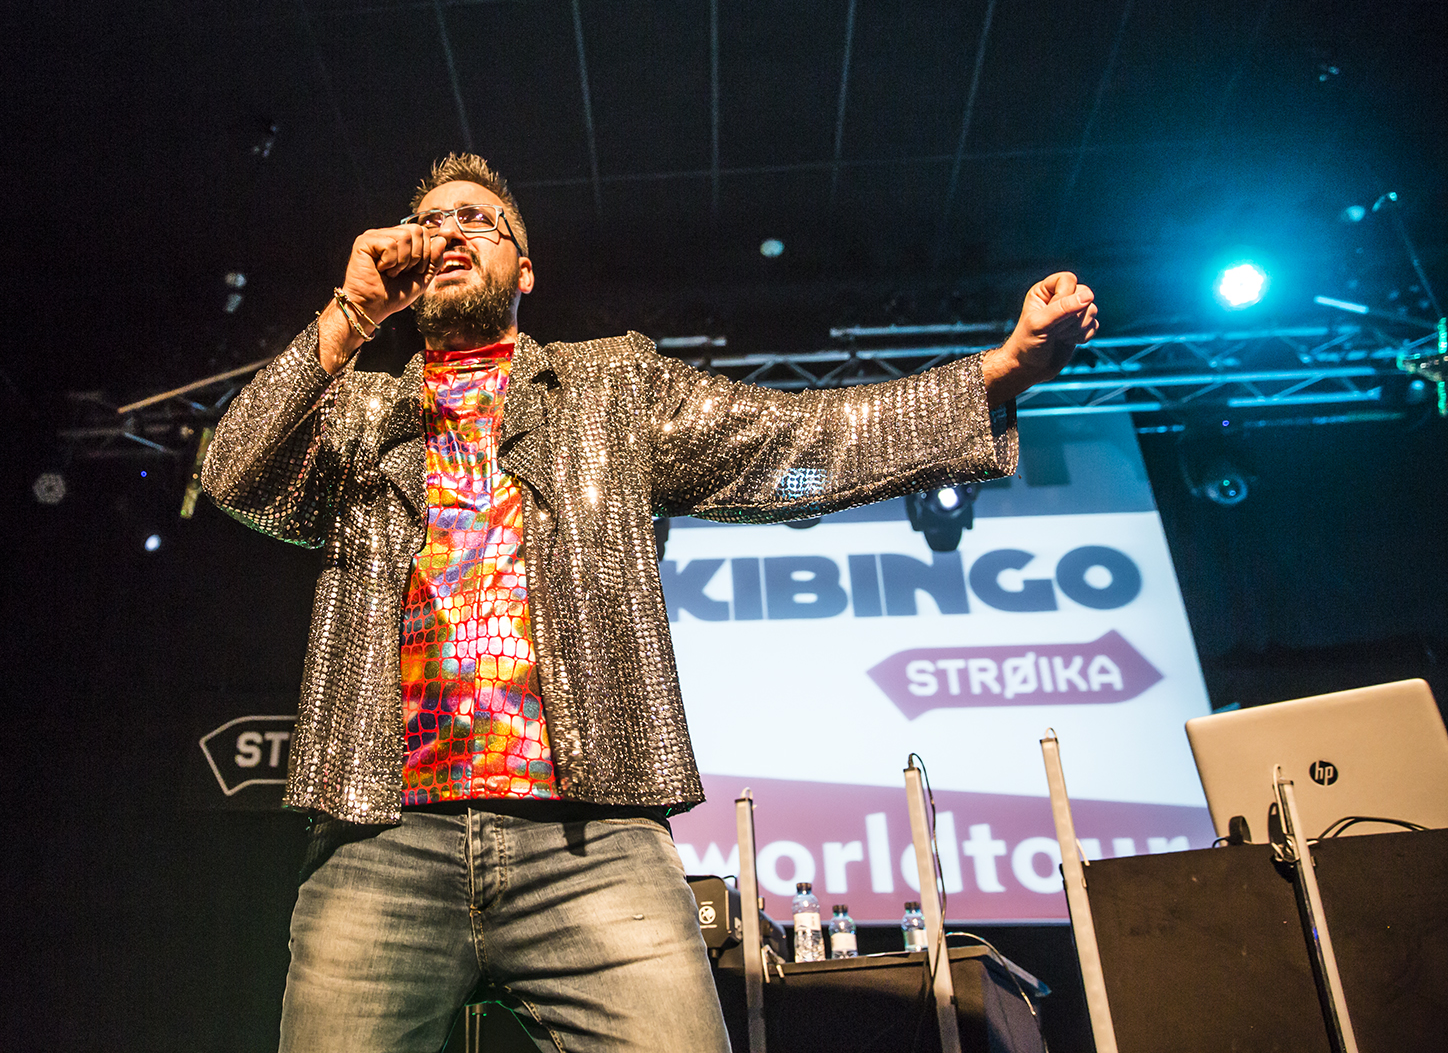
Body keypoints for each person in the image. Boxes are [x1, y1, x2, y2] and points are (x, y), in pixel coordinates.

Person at [202, 153, 1099, 1052]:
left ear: (525, 268)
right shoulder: (359, 415)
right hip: (380, 839)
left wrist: (999, 374)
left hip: (593, 842)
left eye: (478, 219)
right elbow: (235, 473)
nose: (450, 232)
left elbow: (798, 444)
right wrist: (352, 312)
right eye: (431, 221)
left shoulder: (609, 390)